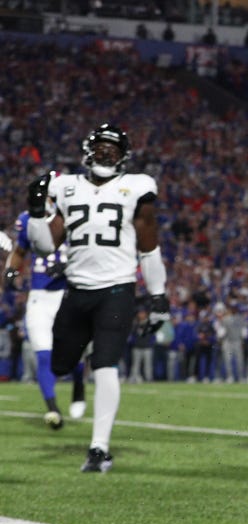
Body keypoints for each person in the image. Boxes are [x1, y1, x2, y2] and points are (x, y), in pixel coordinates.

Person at [25, 124, 169, 472]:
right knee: (60, 365)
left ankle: (98, 448)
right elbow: (44, 246)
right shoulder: (67, 186)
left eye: (113, 149)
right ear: (88, 151)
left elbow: (149, 248)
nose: (106, 153)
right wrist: (36, 212)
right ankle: (83, 363)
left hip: (117, 290)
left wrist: (158, 297)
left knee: (106, 365)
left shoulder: (137, 187)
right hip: (77, 290)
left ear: (124, 157)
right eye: (101, 147)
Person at [5, 213, 88, 429]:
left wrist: (67, 266)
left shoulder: (75, 210)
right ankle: (53, 409)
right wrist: (11, 271)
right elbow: (19, 250)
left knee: (74, 353)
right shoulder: (28, 219)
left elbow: (90, 253)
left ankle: (79, 385)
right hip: (39, 296)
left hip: (68, 293)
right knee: (43, 356)